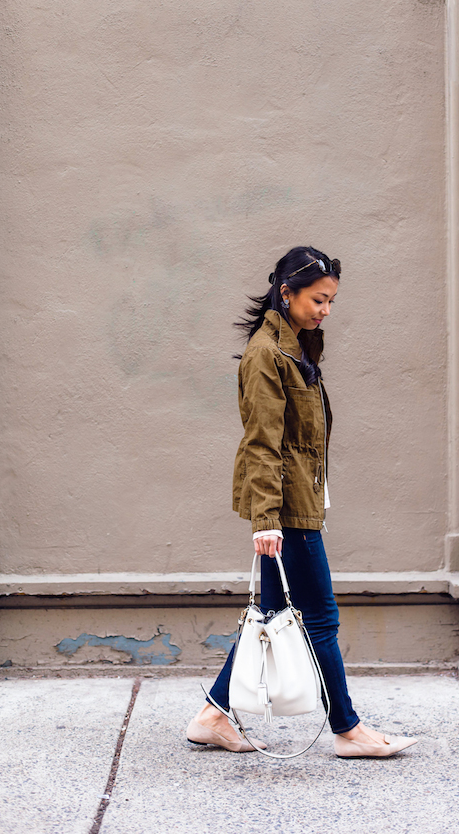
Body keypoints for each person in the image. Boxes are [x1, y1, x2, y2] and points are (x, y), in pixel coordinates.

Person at [186, 246, 417, 758]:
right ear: (286, 292)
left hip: (297, 498)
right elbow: (261, 443)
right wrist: (266, 520)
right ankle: (349, 730)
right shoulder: (267, 354)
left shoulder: (294, 347)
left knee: (273, 612)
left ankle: (211, 716)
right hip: (286, 509)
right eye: (317, 300)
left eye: (331, 301)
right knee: (320, 617)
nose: (325, 311)